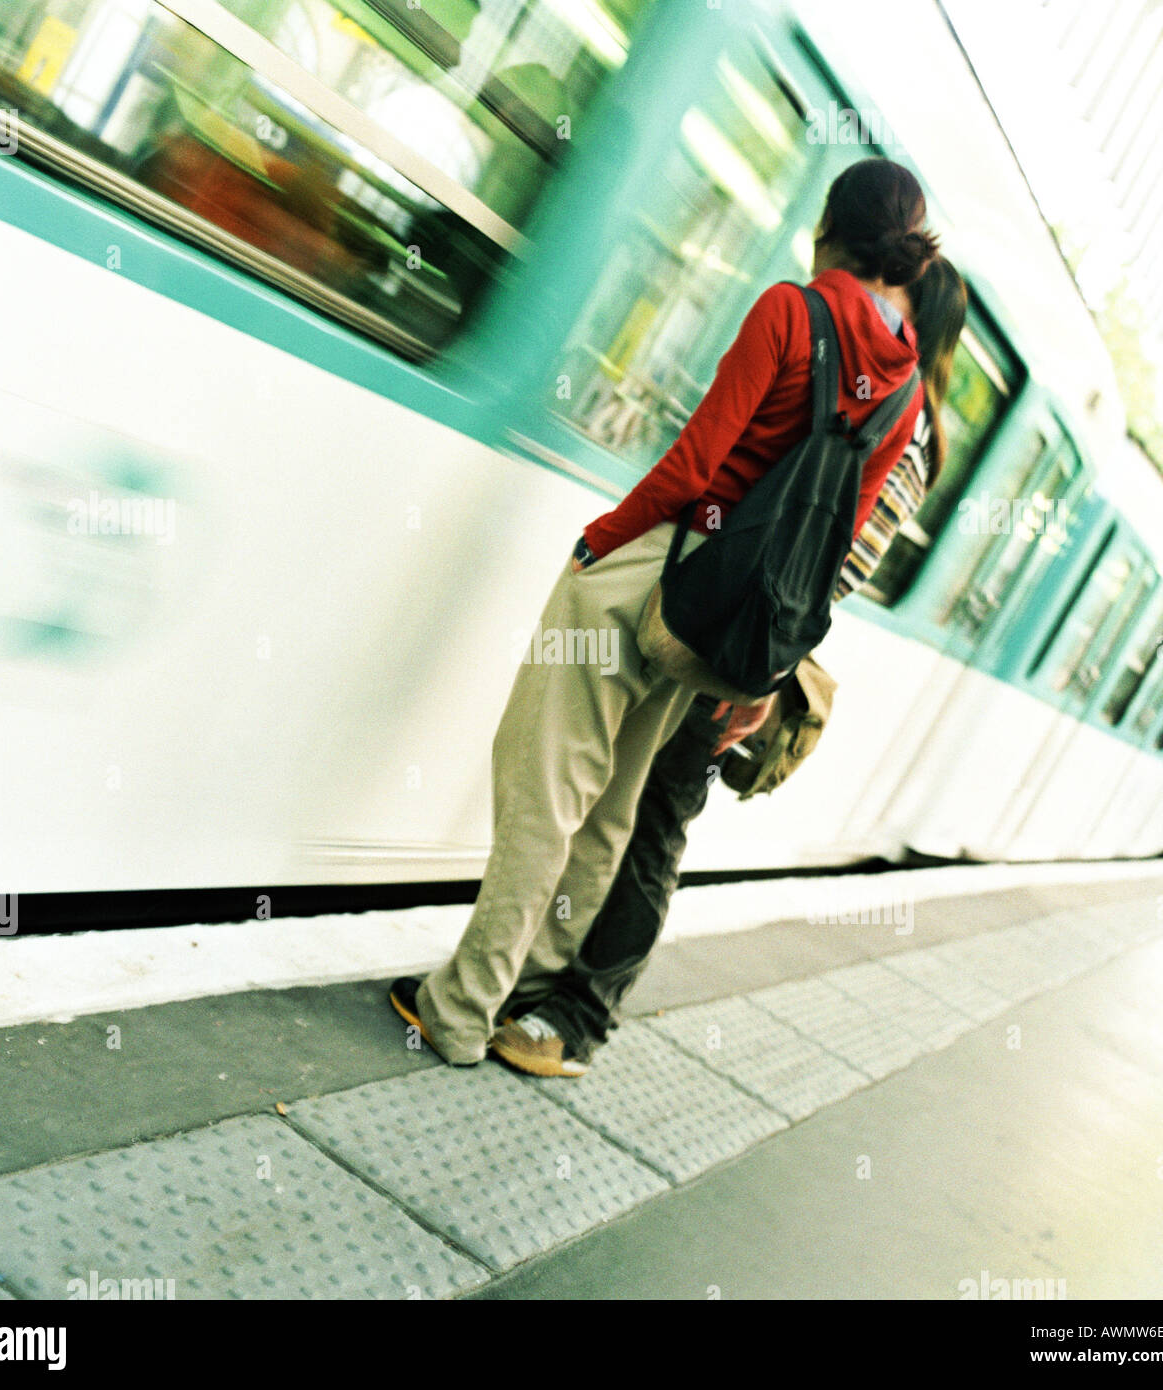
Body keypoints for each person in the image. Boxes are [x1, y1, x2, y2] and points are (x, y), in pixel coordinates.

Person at [390, 158, 938, 1068]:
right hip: (722, 624)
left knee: (543, 793)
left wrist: (601, 540)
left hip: (659, 564)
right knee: (610, 810)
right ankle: (527, 991)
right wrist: (766, 672)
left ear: (827, 227)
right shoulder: (908, 392)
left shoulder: (791, 310)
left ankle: (458, 1012)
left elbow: (693, 467)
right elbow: (831, 549)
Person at [491, 257, 970, 1075]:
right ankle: (535, 987)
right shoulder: (887, 395)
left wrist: (769, 670)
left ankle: (579, 1016)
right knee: (626, 804)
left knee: (655, 819)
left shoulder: (904, 419)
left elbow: (831, 557)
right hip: (745, 619)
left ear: (913, 315)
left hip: (750, 629)